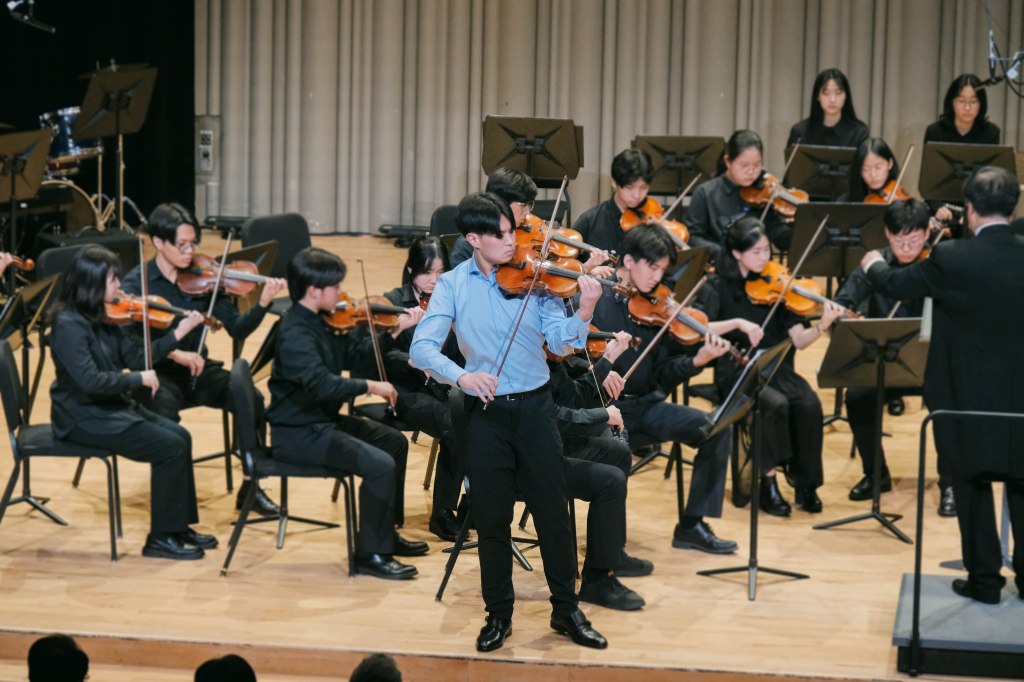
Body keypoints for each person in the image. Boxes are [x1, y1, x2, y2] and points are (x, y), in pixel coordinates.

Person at [410, 192, 608, 651]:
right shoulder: (454, 284)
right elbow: (423, 348)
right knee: (492, 519)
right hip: (486, 414)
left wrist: (584, 310)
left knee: (553, 516)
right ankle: (498, 614)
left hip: (537, 409)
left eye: (512, 231)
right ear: (473, 239)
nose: (510, 241)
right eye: (499, 234)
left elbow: (560, 345)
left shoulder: (536, 278)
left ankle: (566, 610)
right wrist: (462, 374)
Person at [861, 166, 1024, 605]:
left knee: (971, 486)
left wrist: (872, 262)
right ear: (1013, 208)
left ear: (969, 210)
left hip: (963, 398)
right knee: (1023, 484)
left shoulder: (951, 258)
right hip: (1020, 399)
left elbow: (896, 281)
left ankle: (985, 582)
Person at [266, 247, 428, 580]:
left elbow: (354, 359)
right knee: (380, 464)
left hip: (321, 421)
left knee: (393, 443)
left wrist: (393, 332)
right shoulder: (296, 332)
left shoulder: (323, 322)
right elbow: (323, 385)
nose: (341, 293)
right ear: (314, 290)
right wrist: (370, 386)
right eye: (335, 287)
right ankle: (370, 554)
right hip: (297, 432)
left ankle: (384, 533)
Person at [47, 246, 214, 559]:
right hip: (83, 418)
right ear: (91, 284)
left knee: (182, 437)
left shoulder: (104, 313)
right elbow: (91, 381)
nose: (119, 286)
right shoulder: (68, 325)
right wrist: (136, 379)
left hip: (110, 408)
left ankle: (177, 526)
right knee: (170, 447)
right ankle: (160, 539)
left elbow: (138, 356)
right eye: (112, 279)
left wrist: (178, 333)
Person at [122, 202, 287, 517]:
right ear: (158, 242)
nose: (190, 251)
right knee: (168, 421)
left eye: (193, 243)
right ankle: (175, 505)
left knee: (248, 396)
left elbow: (237, 327)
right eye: (181, 245)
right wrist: (174, 351)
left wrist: (263, 303)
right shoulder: (137, 284)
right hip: (158, 374)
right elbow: (128, 345)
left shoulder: (205, 277)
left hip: (198, 371)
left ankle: (251, 487)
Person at [590, 224, 744, 550]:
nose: (657, 277)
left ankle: (692, 525)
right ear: (629, 261)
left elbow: (663, 374)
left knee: (716, 428)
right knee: (618, 450)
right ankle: (608, 551)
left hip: (646, 405)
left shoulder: (659, 309)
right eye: (652, 267)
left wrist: (697, 361)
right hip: (604, 411)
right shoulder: (596, 298)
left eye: (662, 269)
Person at [698, 216, 843, 515]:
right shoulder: (718, 284)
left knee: (809, 404)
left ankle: (806, 483)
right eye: (756, 252)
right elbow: (702, 326)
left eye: (766, 250)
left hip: (776, 366)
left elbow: (799, 340)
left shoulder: (779, 284)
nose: (765, 258)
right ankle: (768, 482)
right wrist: (738, 322)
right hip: (737, 368)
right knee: (774, 405)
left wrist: (822, 327)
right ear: (737, 253)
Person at [833, 200, 952, 507]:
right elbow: (843, 302)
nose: (906, 249)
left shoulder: (940, 265)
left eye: (914, 240)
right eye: (899, 240)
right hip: (884, 363)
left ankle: (951, 481)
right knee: (857, 397)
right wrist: (843, 316)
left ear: (928, 232)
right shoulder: (873, 264)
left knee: (949, 402)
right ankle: (876, 475)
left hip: (931, 365)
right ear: (887, 233)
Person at [546, 335, 653, 611]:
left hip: (549, 442)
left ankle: (608, 555)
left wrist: (603, 366)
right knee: (611, 481)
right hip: (530, 459)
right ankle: (596, 582)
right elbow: (554, 418)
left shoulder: (550, 359)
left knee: (617, 453)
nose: (575, 338)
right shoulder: (528, 361)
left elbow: (573, 396)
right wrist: (602, 415)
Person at [369, 236, 464, 541]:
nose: (434, 281)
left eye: (440, 273)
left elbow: (460, 354)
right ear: (411, 270)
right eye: (426, 273)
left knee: (481, 422)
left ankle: (470, 508)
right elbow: (378, 354)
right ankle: (442, 514)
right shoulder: (393, 301)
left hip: (441, 388)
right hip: (405, 390)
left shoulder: (450, 300)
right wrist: (415, 360)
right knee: (454, 429)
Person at [451, 168, 611, 276]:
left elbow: (548, 278)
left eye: (530, 205)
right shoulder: (466, 247)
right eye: (523, 205)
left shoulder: (531, 235)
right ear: (501, 202)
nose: (528, 212)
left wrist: (582, 270)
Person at [687, 130, 791, 263]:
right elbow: (693, 238)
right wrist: (723, 254)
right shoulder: (705, 193)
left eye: (757, 165)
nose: (752, 172)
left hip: (760, 270)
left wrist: (796, 227)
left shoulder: (765, 192)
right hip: (721, 270)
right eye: (744, 165)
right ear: (728, 161)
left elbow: (780, 239)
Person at [844, 138, 956, 228]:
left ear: (890, 164)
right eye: (866, 169)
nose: (873, 175)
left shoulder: (898, 194)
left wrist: (934, 220)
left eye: (878, 167)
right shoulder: (849, 200)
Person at [573, 148, 657, 256]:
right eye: (629, 188)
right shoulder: (589, 222)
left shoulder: (653, 217)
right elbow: (566, 264)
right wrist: (587, 268)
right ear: (614, 182)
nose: (637, 195)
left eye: (643, 187)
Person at [786, 68, 869, 149]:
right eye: (826, 93)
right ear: (818, 96)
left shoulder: (859, 132)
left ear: (846, 95)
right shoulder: (800, 132)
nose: (832, 100)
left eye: (838, 93)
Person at [924, 73, 1001, 145]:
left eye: (973, 102)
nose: (967, 108)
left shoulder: (991, 132)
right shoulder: (935, 132)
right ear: (951, 102)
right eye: (961, 101)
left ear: (981, 103)